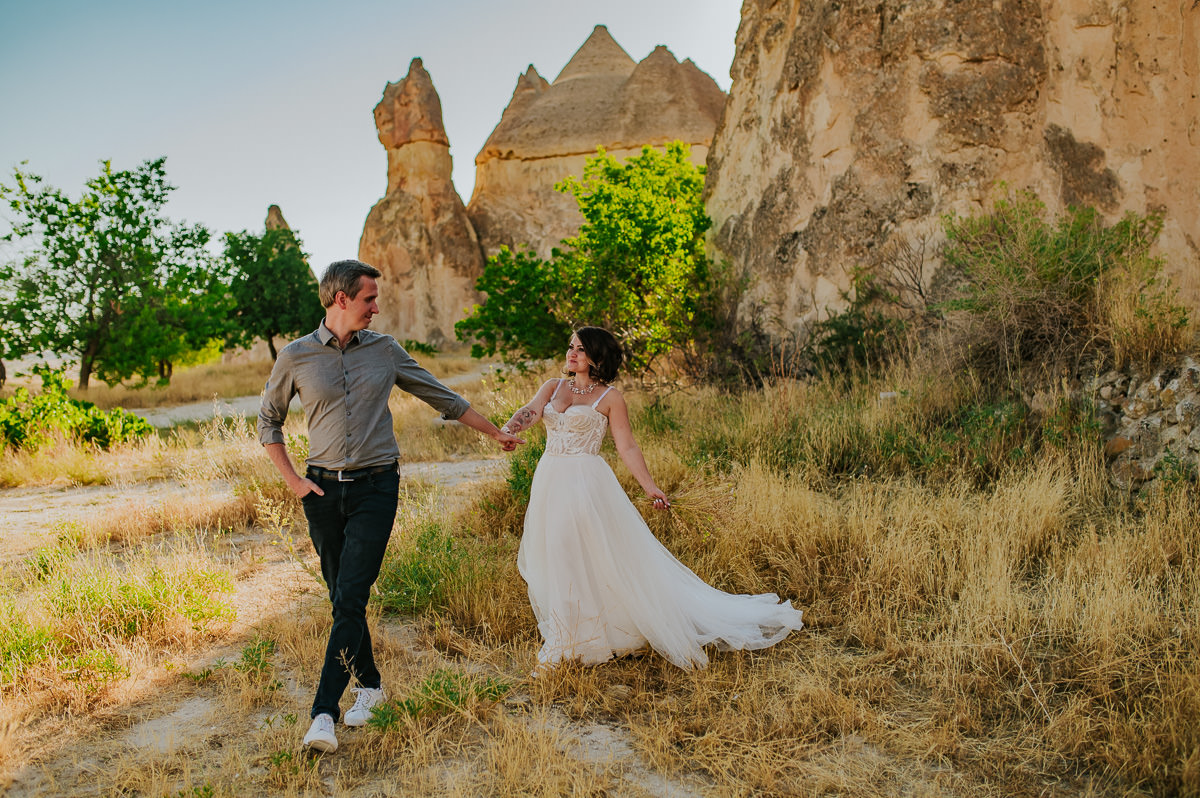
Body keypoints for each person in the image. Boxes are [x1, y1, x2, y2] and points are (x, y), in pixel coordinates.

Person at [258, 259, 523, 753]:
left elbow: (438, 395)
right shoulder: (294, 356)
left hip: (376, 488)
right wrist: (294, 481)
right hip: (320, 491)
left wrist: (494, 432)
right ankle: (372, 688)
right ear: (341, 300)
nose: (376, 309)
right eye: (368, 300)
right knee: (344, 599)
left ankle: (322, 714)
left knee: (351, 595)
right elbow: (268, 422)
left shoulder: (385, 351)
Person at [500, 326, 803, 673]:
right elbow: (530, 411)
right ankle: (572, 632)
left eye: (581, 350)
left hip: (586, 482)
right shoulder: (553, 386)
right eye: (570, 347)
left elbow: (626, 446)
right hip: (550, 478)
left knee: (580, 551)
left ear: (597, 357)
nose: (572, 354)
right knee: (555, 552)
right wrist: (509, 430)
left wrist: (650, 486)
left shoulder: (610, 398)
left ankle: (572, 641)